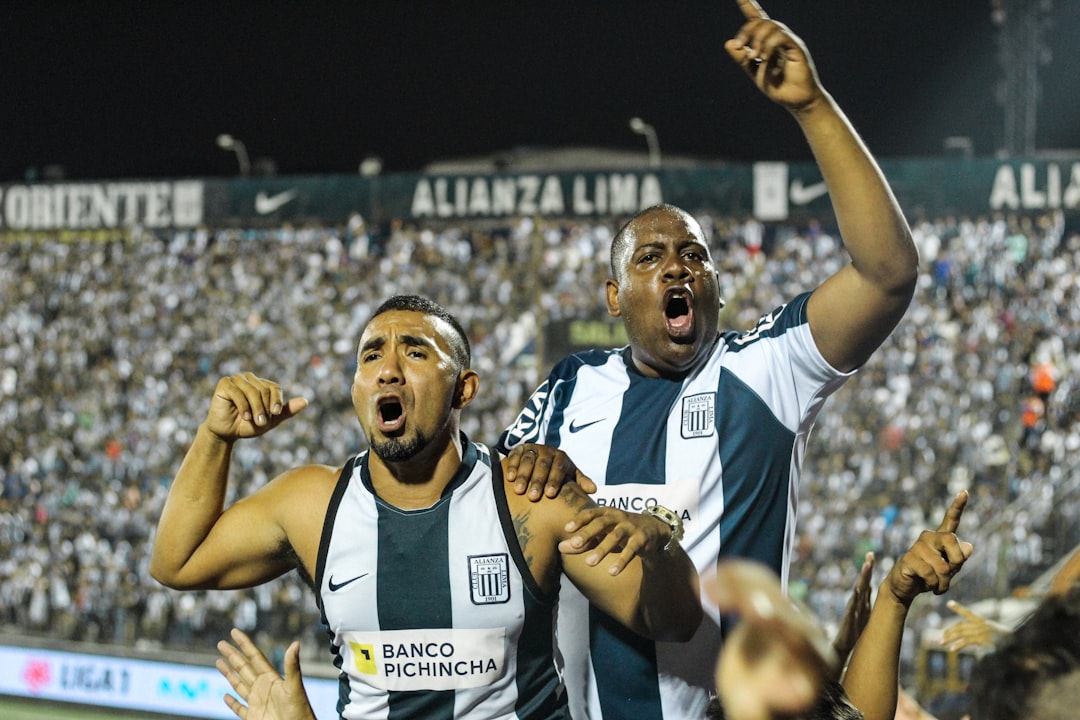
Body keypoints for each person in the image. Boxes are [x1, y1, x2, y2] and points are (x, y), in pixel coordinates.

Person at [497, 0, 918, 717]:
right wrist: (522, 468)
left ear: (718, 284)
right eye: (652, 258)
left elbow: (885, 275)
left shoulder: (765, 368)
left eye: (695, 256)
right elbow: (500, 515)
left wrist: (811, 107)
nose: (678, 270)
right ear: (613, 295)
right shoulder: (569, 388)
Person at [150, 294, 702, 719]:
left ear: (464, 389)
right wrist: (214, 437)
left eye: (415, 351)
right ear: (356, 390)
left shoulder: (528, 497)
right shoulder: (311, 504)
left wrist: (660, 541)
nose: (388, 369)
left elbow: (675, 620)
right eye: (372, 356)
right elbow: (177, 560)